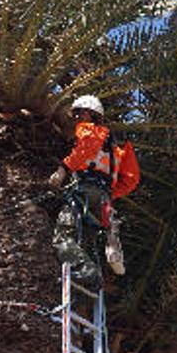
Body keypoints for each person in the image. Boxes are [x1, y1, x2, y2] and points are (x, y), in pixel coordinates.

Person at [49, 95, 140, 287]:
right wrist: (108, 194)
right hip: (103, 199)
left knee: (63, 236)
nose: (76, 120)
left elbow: (86, 148)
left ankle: (88, 273)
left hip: (86, 192)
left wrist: (63, 169)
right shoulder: (118, 147)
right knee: (85, 241)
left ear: (88, 114)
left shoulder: (89, 130)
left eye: (77, 115)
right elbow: (131, 179)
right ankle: (87, 284)